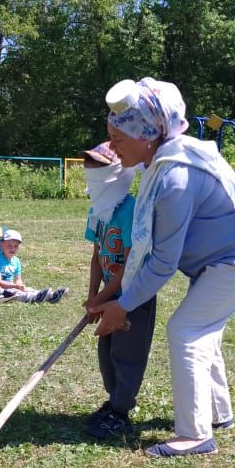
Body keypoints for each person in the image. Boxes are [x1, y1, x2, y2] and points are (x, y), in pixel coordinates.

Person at [91, 77, 235, 457]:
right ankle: (219, 414)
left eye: (119, 138)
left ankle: (195, 434)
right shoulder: (159, 160)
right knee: (205, 331)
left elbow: (163, 262)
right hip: (223, 258)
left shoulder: (175, 177)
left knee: (186, 329)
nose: (113, 146)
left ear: (147, 135)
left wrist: (122, 305)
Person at [80, 141, 157, 440]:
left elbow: (129, 265)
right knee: (107, 351)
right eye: (89, 169)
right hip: (108, 295)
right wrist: (92, 295)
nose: (91, 176)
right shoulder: (98, 211)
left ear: (118, 172)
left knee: (127, 352)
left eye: (98, 169)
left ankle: (121, 412)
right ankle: (113, 402)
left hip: (134, 296)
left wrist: (102, 298)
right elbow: (97, 256)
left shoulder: (132, 210)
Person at [0, 230, 67, 303]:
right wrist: (15, 286)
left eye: (16, 246)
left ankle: (52, 295)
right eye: (9, 245)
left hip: (11, 285)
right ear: (2, 245)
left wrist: (19, 285)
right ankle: (36, 297)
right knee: (17, 294)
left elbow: (18, 278)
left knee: (28, 289)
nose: (13, 248)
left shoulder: (16, 261)